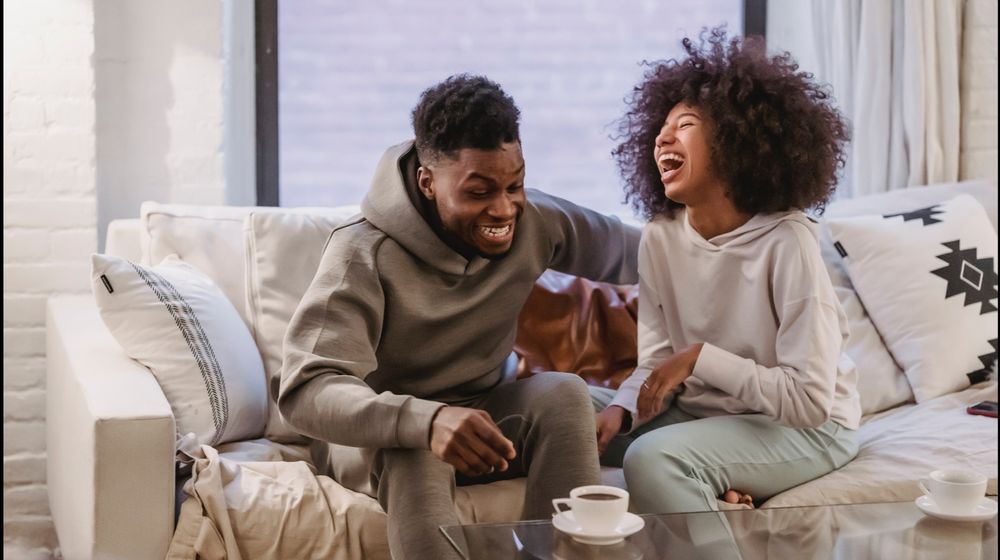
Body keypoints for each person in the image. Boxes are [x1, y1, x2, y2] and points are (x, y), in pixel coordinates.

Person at [279, 74, 640, 559]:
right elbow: (306, 391)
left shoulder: (536, 221)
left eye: (514, 185)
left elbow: (652, 254)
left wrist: (737, 237)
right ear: (428, 182)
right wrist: (425, 420)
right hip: (384, 436)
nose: (504, 209)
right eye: (479, 192)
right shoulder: (361, 253)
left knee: (564, 394)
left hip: (485, 416)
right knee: (418, 454)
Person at [591, 27, 862, 516]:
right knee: (568, 412)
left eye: (686, 125)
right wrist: (621, 407)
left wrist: (699, 359)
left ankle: (706, 489)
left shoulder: (788, 240)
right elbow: (658, 364)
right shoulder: (661, 236)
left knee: (652, 458)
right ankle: (709, 490)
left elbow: (808, 402)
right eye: (662, 128)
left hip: (807, 428)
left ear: (738, 142)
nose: (663, 138)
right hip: (703, 416)